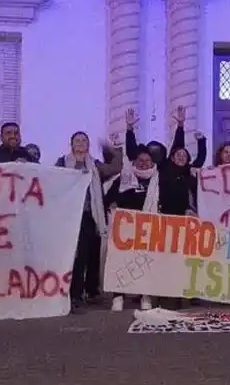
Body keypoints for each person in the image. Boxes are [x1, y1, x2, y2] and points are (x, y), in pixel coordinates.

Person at [56, 132, 123, 313]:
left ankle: (91, 291)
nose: (81, 143)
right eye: (77, 140)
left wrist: (113, 148)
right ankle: (75, 294)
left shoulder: (95, 165)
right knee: (77, 255)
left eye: (84, 140)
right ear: (71, 144)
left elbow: (116, 168)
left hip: (91, 214)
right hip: (71, 215)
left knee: (92, 252)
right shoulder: (62, 163)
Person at [105, 145, 160, 312]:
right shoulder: (123, 178)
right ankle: (118, 296)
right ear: (135, 162)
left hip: (147, 230)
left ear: (152, 163)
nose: (143, 164)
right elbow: (108, 199)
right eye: (140, 161)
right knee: (121, 262)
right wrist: (113, 204)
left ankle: (145, 295)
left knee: (145, 262)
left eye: (147, 161)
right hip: (124, 230)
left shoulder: (157, 180)